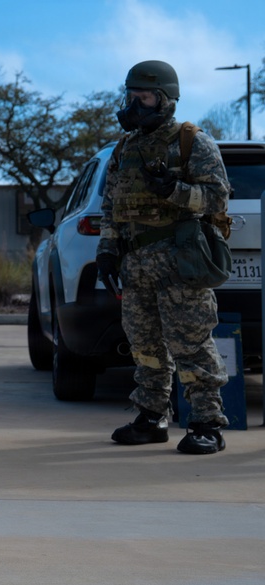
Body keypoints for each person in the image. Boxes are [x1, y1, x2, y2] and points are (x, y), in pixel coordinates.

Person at [97, 60, 230, 455]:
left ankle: (207, 423)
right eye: (131, 97)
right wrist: (107, 250)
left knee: (191, 343)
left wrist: (174, 190)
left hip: (179, 261)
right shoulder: (125, 148)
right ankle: (152, 417)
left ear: (166, 99)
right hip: (136, 263)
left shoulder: (192, 142)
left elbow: (217, 199)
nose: (134, 105)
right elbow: (111, 206)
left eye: (144, 97)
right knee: (145, 346)